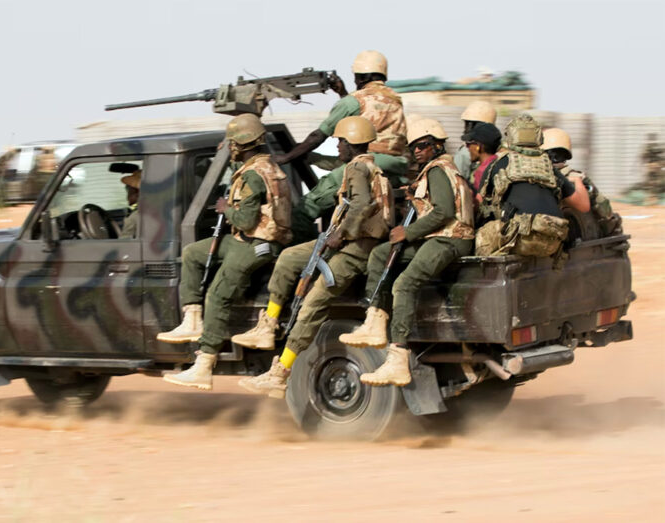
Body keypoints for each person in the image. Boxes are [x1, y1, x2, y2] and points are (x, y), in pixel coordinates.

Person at [232, 117, 392, 397]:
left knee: (313, 303)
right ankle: (267, 323)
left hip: (355, 248)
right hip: (346, 242)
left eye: (341, 141)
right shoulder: (367, 167)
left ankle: (280, 373)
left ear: (351, 143)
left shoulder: (356, 167)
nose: (338, 146)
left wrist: (341, 234)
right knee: (290, 258)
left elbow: (362, 205)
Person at [157, 114, 293, 390]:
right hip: (249, 238)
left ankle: (204, 364)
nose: (230, 147)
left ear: (242, 144)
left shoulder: (254, 176)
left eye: (233, 143)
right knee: (194, 253)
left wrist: (225, 209)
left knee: (218, 294)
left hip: (256, 244)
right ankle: (193, 318)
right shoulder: (264, 167)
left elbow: (244, 220)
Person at [339, 119, 475, 387]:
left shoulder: (438, 170)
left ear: (437, 145)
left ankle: (398, 357)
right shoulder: (436, 170)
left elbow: (443, 212)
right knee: (380, 255)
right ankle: (375, 321)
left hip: (451, 239)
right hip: (439, 237)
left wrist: (408, 233)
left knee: (404, 283)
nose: (417, 152)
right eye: (413, 148)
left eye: (423, 146)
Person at [272, 50, 409, 186]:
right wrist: (342, 93)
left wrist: (286, 157)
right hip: (396, 164)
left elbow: (318, 135)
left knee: (314, 200)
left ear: (362, 78)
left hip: (367, 162)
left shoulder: (354, 100)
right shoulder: (394, 99)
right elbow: (360, 115)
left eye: (355, 76)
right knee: (314, 158)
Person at [474, 114, 590, 262]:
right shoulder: (548, 166)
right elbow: (584, 205)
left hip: (521, 237)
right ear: (539, 138)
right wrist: (578, 181)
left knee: (480, 239)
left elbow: (479, 205)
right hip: (553, 240)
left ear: (510, 137)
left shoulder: (498, 163)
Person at [542, 128, 621, 237]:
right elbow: (604, 210)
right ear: (566, 154)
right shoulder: (578, 178)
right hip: (575, 238)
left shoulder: (534, 178)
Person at [454, 101, 498, 182]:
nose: (465, 128)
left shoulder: (466, 152)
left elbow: (456, 182)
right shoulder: (499, 147)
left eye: (468, 124)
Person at [463, 122, 502, 197]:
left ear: (478, 146)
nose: (468, 148)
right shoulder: (500, 163)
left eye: (469, 144)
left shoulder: (482, 171)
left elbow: (479, 203)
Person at [119, 169, 141, 239]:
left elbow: (124, 244)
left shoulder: (136, 216)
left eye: (128, 189)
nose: (127, 195)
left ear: (137, 193)